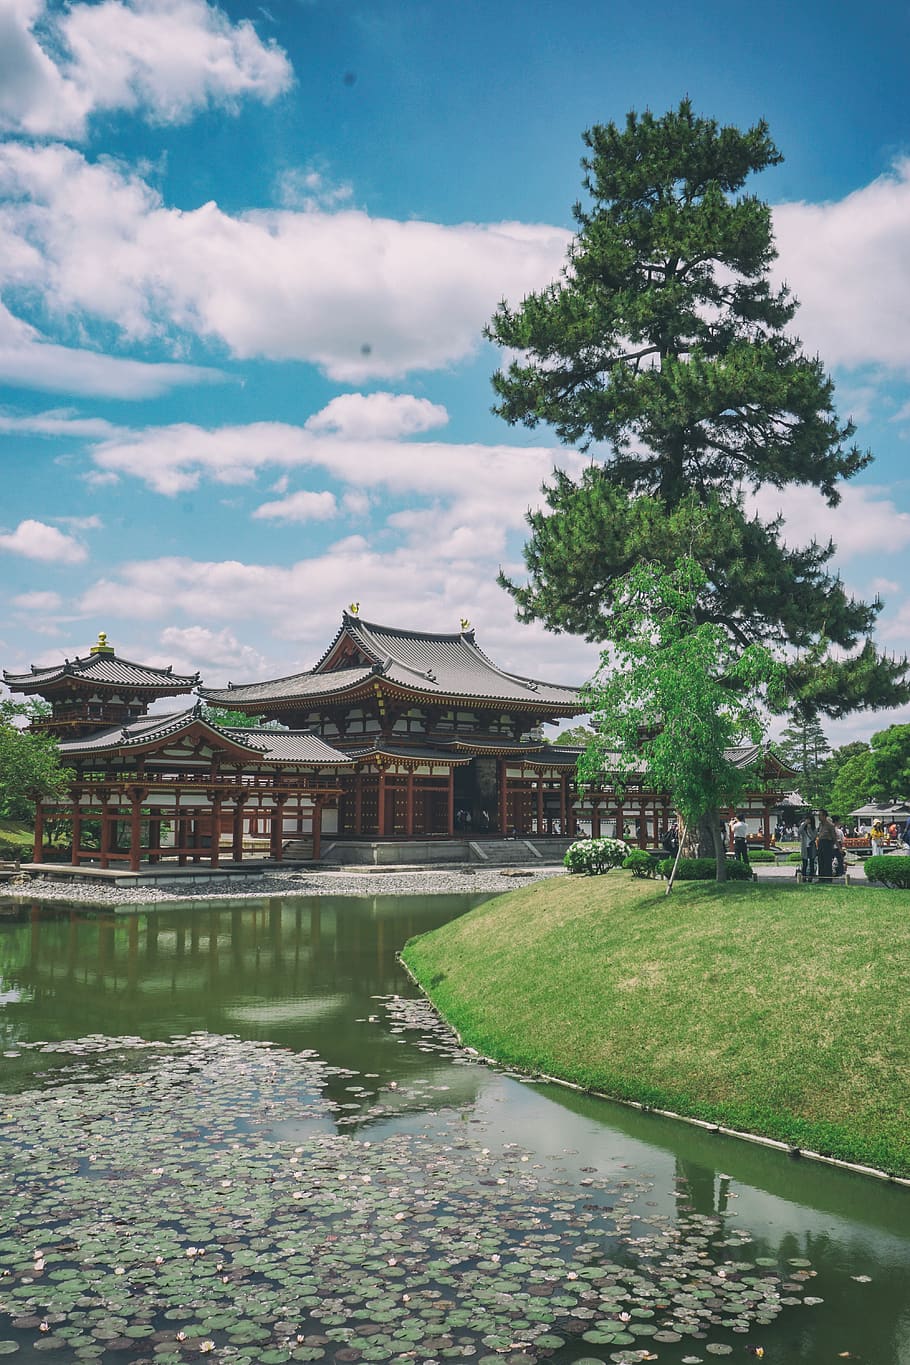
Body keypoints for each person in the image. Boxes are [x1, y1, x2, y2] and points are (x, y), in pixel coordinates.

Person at [816, 809, 837, 881]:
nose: (819, 817)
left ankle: (828, 878)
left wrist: (834, 845)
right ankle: (821, 878)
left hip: (827, 843)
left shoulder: (830, 825)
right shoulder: (820, 825)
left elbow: (834, 837)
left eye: (820, 815)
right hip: (821, 843)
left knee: (827, 862)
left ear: (824, 816)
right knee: (820, 861)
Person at [798, 813, 817, 882]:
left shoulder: (814, 828)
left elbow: (814, 837)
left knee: (811, 862)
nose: (808, 821)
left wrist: (809, 829)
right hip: (804, 847)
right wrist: (804, 824)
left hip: (811, 846)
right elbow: (799, 831)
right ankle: (804, 877)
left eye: (809, 819)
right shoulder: (803, 829)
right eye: (807, 819)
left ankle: (810, 877)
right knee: (804, 863)